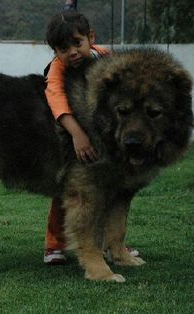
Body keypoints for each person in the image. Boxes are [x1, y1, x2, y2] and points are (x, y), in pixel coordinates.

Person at [43, 11, 139, 265]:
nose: (72, 52)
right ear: (55, 51)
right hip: (68, 135)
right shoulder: (56, 69)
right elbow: (56, 102)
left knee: (110, 193)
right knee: (67, 192)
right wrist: (77, 135)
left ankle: (115, 245)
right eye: (63, 48)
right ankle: (54, 245)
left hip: (103, 138)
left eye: (77, 43)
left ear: (90, 38)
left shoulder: (107, 57)